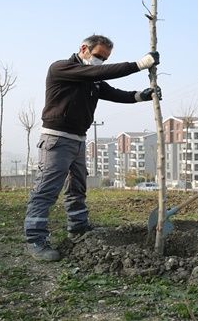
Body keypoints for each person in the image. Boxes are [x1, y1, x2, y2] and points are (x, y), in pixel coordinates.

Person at [24, 34, 160, 261]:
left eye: (104, 59)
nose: (100, 62)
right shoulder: (62, 68)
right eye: (98, 56)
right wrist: (140, 64)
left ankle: (78, 227)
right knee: (46, 190)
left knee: (77, 186)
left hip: (78, 139)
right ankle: (35, 239)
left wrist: (140, 96)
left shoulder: (92, 79)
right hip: (56, 139)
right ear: (83, 49)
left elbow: (113, 93)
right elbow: (98, 73)